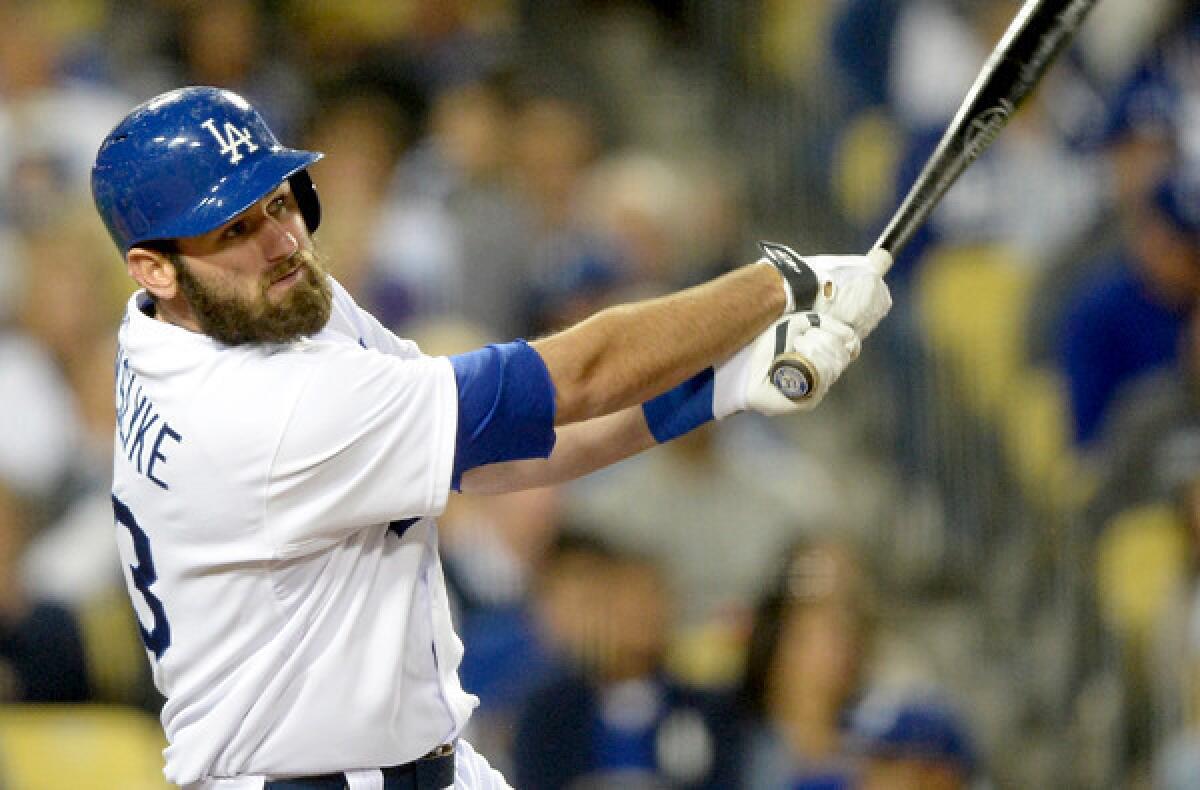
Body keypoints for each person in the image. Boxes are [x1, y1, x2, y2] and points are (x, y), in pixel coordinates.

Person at [89, 86, 890, 789]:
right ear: (153, 268)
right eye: (231, 229)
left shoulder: (222, 318)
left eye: (278, 202)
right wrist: (783, 284)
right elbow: (575, 374)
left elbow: (502, 450)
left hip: (421, 765)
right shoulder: (260, 410)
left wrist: (720, 385)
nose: (281, 241)